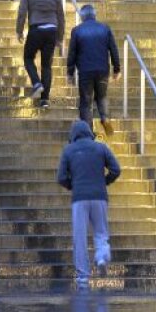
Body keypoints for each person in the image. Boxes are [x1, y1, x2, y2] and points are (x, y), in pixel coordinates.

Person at [57, 120, 121, 290]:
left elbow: (61, 177)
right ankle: (101, 256)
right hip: (99, 196)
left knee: (80, 237)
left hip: (79, 199)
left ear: (73, 135)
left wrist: (73, 185)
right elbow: (116, 169)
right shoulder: (100, 147)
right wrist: (104, 181)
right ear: (89, 133)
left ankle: (83, 276)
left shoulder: (68, 150)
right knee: (100, 231)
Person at [65, 4, 121, 137]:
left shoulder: (77, 30)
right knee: (102, 96)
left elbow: (72, 52)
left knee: (85, 102)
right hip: (102, 70)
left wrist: (70, 72)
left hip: (85, 70)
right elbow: (113, 49)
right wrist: (117, 69)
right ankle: (104, 117)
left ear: (82, 16)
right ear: (94, 15)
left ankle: (88, 132)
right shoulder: (105, 28)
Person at [17, 0, 65, 109]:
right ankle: (44, 100)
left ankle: (37, 83)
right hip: (51, 31)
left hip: (36, 29)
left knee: (28, 58)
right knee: (46, 66)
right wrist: (60, 38)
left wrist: (19, 30)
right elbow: (61, 18)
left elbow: (22, 12)